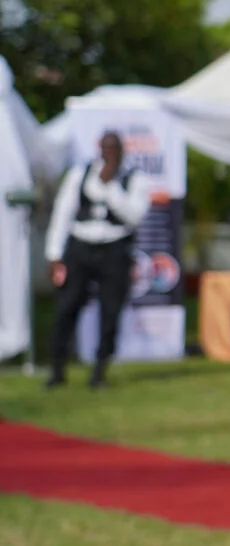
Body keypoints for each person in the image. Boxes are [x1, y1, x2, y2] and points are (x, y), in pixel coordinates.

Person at [44, 130, 148, 388]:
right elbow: (63, 213)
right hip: (80, 247)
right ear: (99, 149)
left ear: (122, 151)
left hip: (114, 249)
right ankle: (57, 368)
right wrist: (54, 254)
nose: (110, 153)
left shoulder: (134, 179)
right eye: (106, 148)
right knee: (67, 306)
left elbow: (134, 217)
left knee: (111, 310)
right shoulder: (80, 174)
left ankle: (100, 370)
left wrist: (111, 187)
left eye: (115, 148)